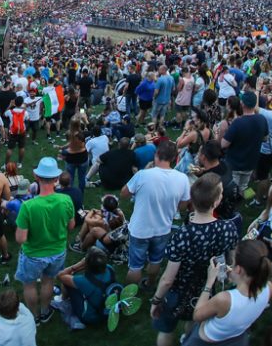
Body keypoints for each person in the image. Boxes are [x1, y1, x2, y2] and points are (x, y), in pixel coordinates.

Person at [151, 174, 238, 345]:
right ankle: (187, 339)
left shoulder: (182, 235)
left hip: (178, 291)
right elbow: (231, 262)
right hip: (206, 290)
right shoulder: (228, 228)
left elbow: (168, 279)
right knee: (194, 321)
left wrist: (156, 300)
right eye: (220, 194)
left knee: (166, 329)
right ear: (215, 203)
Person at [15, 157, 75, 325]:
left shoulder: (28, 206)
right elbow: (71, 226)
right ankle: (45, 311)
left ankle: (34, 317)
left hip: (33, 254)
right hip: (57, 252)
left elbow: (21, 238)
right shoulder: (66, 200)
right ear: (56, 179)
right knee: (49, 281)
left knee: (30, 285)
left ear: (37, 177)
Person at [123, 141, 191, 287]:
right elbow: (184, 206)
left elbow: (124, 193)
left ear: (156, 155)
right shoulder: (183, 179)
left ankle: (128, 296)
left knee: (135, 266)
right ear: (174, 158)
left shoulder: (143, 175)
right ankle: (150, 284)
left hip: (140, 229)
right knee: (156, 260)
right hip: (163, 228)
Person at [181, 240, 272, 346]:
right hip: (236, 336)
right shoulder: (269, 287)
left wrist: (209, 282)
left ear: (238, 269)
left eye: (233, 262)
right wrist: (234, 275)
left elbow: (197, 316)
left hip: (207, 340)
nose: (231, 265)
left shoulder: (224, 299)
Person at [54, 246, 118, 328]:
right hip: (108, 309)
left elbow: (60, 276)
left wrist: (78, 265)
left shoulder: (82, 281)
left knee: (67, 282)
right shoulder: (109, 268)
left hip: (92, 317)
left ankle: (62, 301)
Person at [221, 91, 267, 192]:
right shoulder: (262, 119)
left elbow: (223, 144)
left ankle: (234, 205)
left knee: (232, 189)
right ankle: (247, 199)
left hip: (235, 164)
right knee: (244, 186)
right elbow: (265, 138)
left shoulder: (237, 122)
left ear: (242, 104)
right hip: (250, 163)